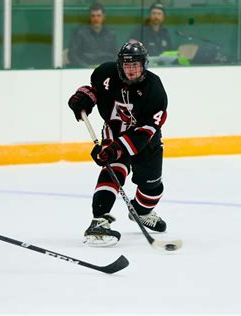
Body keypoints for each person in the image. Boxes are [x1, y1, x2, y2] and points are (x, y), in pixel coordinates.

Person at [68, 42, 168, 246]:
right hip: (113, 133)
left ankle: (141, 212)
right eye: (127, 65)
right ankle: (99, 221)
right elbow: (93, 90)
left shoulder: (155, 89)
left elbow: (146, 130)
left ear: (144, 65)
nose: (131, 70)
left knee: (153, 187)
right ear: (119, 64)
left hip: (145, 141)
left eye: (136, 65)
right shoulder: (106, 73)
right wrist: (83, 99)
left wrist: (118, 148)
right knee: (113, 171)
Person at [68, 2, 117, 67]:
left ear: (103, 17)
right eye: (93, 16)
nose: (96, 19)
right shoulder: (80, 33)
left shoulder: (111, 34)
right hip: (85, 69)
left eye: (98, 16)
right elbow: (72, 54)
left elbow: (116, 54)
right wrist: (85, 66)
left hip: (106, 69)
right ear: (89, 17)